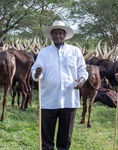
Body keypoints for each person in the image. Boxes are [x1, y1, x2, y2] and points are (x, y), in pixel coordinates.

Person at [31, 21, 88, 150]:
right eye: (55, 33)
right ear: (51, 36)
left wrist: (82, 81)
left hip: (69, 99)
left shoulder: (75, 51)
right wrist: (37, 73)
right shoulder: (44, 53)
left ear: (65, 35)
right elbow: (35, 73)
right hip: (49, 99)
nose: (57, 35)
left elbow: (82, 70)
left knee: (65, 138)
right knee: (47, 138)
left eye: (60, 33)